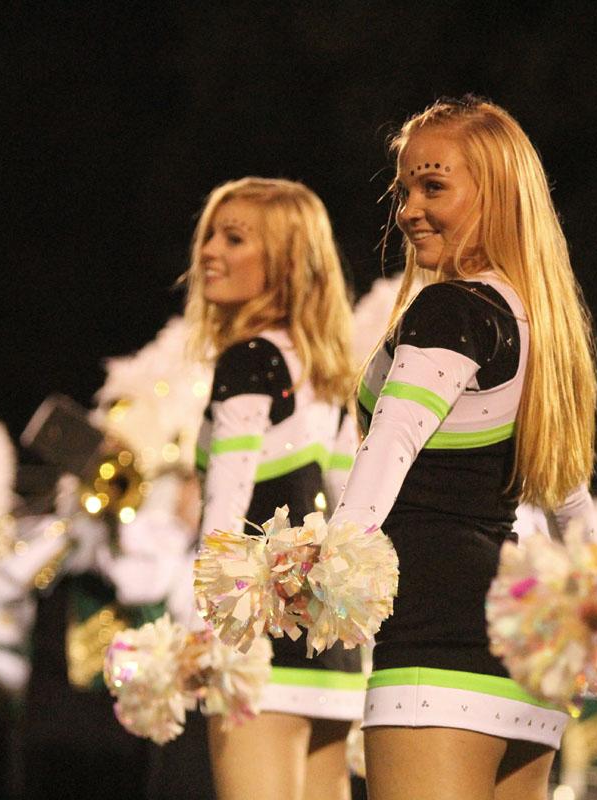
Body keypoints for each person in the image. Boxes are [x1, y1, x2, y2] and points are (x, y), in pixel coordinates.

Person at [328, 97, 597, 800]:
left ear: (499, 194)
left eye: (434, 186)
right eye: (405, 190)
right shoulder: (539, 322)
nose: (410, 209)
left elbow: (391, 442)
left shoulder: (453, 309)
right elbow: (570, 498)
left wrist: (333, 561)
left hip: (437, 634)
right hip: (527, 642)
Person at [185, 177, 364, 800]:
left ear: (287, 261)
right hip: (327, 642)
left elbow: (227, 508)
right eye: (211, 233)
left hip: (256, 642)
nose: (209, 250)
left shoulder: (250, 360)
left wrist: (199, 632)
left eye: (234, 238)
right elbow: (349, 508)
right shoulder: (326, 368)